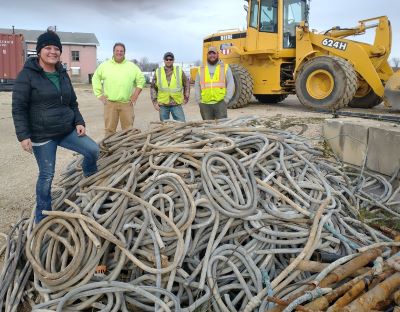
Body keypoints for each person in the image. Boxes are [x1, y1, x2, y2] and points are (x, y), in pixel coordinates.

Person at [12, 30, 99, 223]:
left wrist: (79, 122)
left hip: (66, 129)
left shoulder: (62, 73)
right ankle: (42, 219)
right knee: (46, 176)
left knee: (93, 150)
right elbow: (18, 107)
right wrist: (23, 135)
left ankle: (90, 183)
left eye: (56, 48)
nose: (52, 52)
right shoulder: (27, 75)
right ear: (39, 51)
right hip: (42, 135)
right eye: (47, 48)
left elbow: (73, 102)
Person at [92, 43, 146, 137]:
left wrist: (135, 95)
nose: (119, 53)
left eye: (121, 51)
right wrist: (99, 95)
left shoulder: (131, 66)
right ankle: (109, 151)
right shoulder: (105, 65)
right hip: (110, 104)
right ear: (113, 52)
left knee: (128, 131)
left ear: (124, 53)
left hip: (126, 104)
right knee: (109, 131)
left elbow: (141, 80)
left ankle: (127, 150)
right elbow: (95, 78)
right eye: (117, 51)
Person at [194, 46, 235, 120]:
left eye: (214, 53)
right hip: (205, 104)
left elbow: (231, 84)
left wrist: (226, 99)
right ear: (207, 55)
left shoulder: (225, 67)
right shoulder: (201, 68)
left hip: (220, 103)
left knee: (221, 127)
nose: (212, 55)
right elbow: (197, 85)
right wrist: (199, 100)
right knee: (207, 127)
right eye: (210, 53)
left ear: (218, 54)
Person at [150, 52, 190, 122]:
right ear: (164, 60)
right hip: (163, 104)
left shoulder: (179, 71)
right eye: (167, 59)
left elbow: (186, 84)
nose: (168, 61)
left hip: (176, 103)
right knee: (164, 126)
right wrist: (154, 102)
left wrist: (186, 97)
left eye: (170, 59)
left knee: (181, 123)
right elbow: (153, 87)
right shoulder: (158, 71)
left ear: (173, 60)